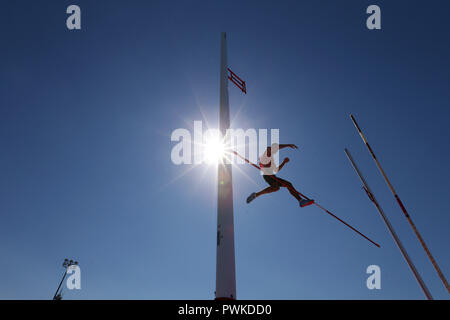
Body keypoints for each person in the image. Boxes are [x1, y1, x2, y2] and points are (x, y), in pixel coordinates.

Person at [246, 143, 314, 207]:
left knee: (288, 184)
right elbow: (274, 148)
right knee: (276, 187)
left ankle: (301, 201)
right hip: (267, 174)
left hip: (272, 175)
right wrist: (288, 145)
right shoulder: (266, 154)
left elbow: (276, 170)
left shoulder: (270, 160)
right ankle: (256, 195)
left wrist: (284, 162)